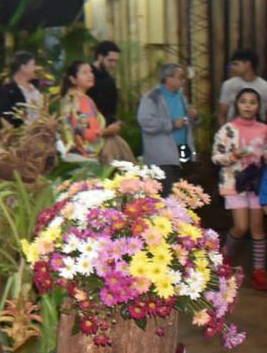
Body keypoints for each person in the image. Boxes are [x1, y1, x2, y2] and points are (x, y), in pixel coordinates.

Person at [211, 88, 267, 290]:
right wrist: (234, 156)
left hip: (257, 184)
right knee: (241, 227)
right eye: (244, 101)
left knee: (258, 228)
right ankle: (225, 255)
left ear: (258, 106)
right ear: (237, 105)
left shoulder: (263, 128)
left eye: (253, 102)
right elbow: (216, 157)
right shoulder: (228, 129)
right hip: (234, 183)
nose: (248, 106)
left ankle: (259, 272)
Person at [137, 63, 198, 193]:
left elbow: (186, 120)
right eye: (180, 77)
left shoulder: (181, 97)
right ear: (168, 78)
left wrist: (193, 116)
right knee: (167, 195)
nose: (183, 80)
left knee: (182, 194)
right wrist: (171, 124)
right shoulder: (152, 97)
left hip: (182, 150)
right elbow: (145, 122)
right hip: (162, 155)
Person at [59, 61, 121, 162]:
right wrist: (109, 131)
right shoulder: (81, 100)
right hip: (84, 159)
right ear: (73, 79)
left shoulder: (68, 98)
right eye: (84, 72)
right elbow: (88, 133)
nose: (90, 75)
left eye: (91, 72)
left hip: (72, 156)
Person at [217, 48, 267, 125]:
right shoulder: (228, 85)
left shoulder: (264, 87)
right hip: (234, 130)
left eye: (235, 64)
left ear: (248, 64)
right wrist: (225, 131)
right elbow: (222, 114)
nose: (232, 68)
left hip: (258, 131)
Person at [0, 51, 43, 128]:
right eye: (33, 65)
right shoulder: (8, 90)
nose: (35, 68)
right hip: (22, 135)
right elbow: (4, 117)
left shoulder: (35, 86)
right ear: (23, 67)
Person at [90, 41, 122, 129]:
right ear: (100, 57)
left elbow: (112, 109)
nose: (113, 65)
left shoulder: (110, 80)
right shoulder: (87, 76)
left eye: (116, 61)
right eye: (110, 60)